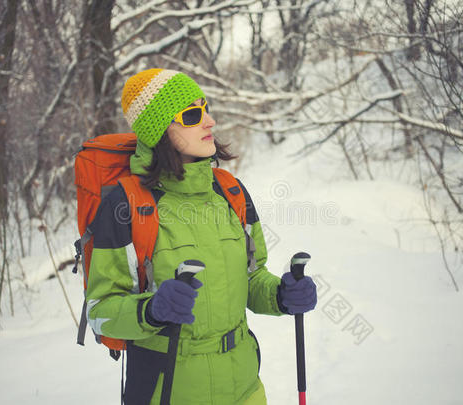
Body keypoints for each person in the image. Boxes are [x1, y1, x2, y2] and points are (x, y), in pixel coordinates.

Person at [85, 68, 318, 405]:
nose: (209, 121)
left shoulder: (231, 192)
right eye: (192, 114)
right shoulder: (126, 205)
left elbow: (251, 278)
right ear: (159, 130)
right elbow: (99, 311)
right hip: (169, 391)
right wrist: (151, 311)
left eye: (205, 108)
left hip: (244, 388)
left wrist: (282, 295)